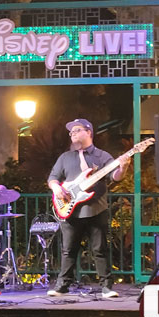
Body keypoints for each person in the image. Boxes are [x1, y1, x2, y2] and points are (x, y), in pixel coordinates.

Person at [47, 118, 130, 298]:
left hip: (96, 209)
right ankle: (62, 285)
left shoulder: (102, 156)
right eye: (71, 132)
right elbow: (53, 178)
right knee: (68, 249)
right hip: (71, 210)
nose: (72, 134)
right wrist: (56, 188)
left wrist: (123, 167)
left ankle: (107, 287)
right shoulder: (65, 157)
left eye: (76, 130)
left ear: (88, 132)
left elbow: (115, 177)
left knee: (100, 249)